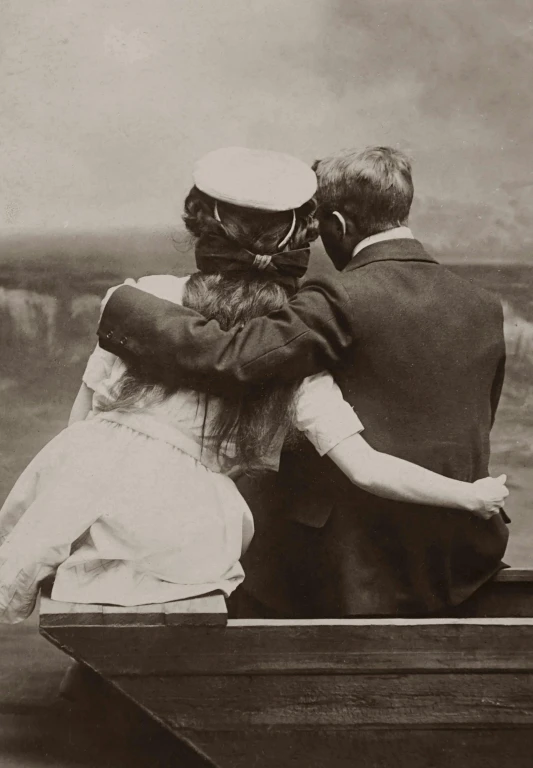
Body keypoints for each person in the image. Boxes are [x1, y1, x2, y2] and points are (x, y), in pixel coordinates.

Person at [0, 148, 507, 625]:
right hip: (193, 531)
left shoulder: (142, 301)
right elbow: (369, 467)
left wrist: (119, 306)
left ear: (201, 225)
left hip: (83, 489)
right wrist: (469, 496)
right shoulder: (303, 352)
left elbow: (84, 419)